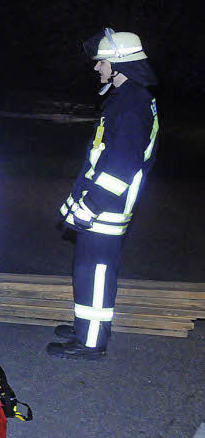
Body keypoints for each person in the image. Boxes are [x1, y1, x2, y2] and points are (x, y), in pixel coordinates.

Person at [47, 28, 159, 360]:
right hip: (105, 206)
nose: (97, 68)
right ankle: (86, 327)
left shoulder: (129, 106)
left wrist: (91, 206)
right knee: (87, 270)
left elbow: (120, 167)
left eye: (102, 62)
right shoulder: (129, 100)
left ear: (119, 65)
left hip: (106, 208)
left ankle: (91, 343)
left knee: (95, 272)